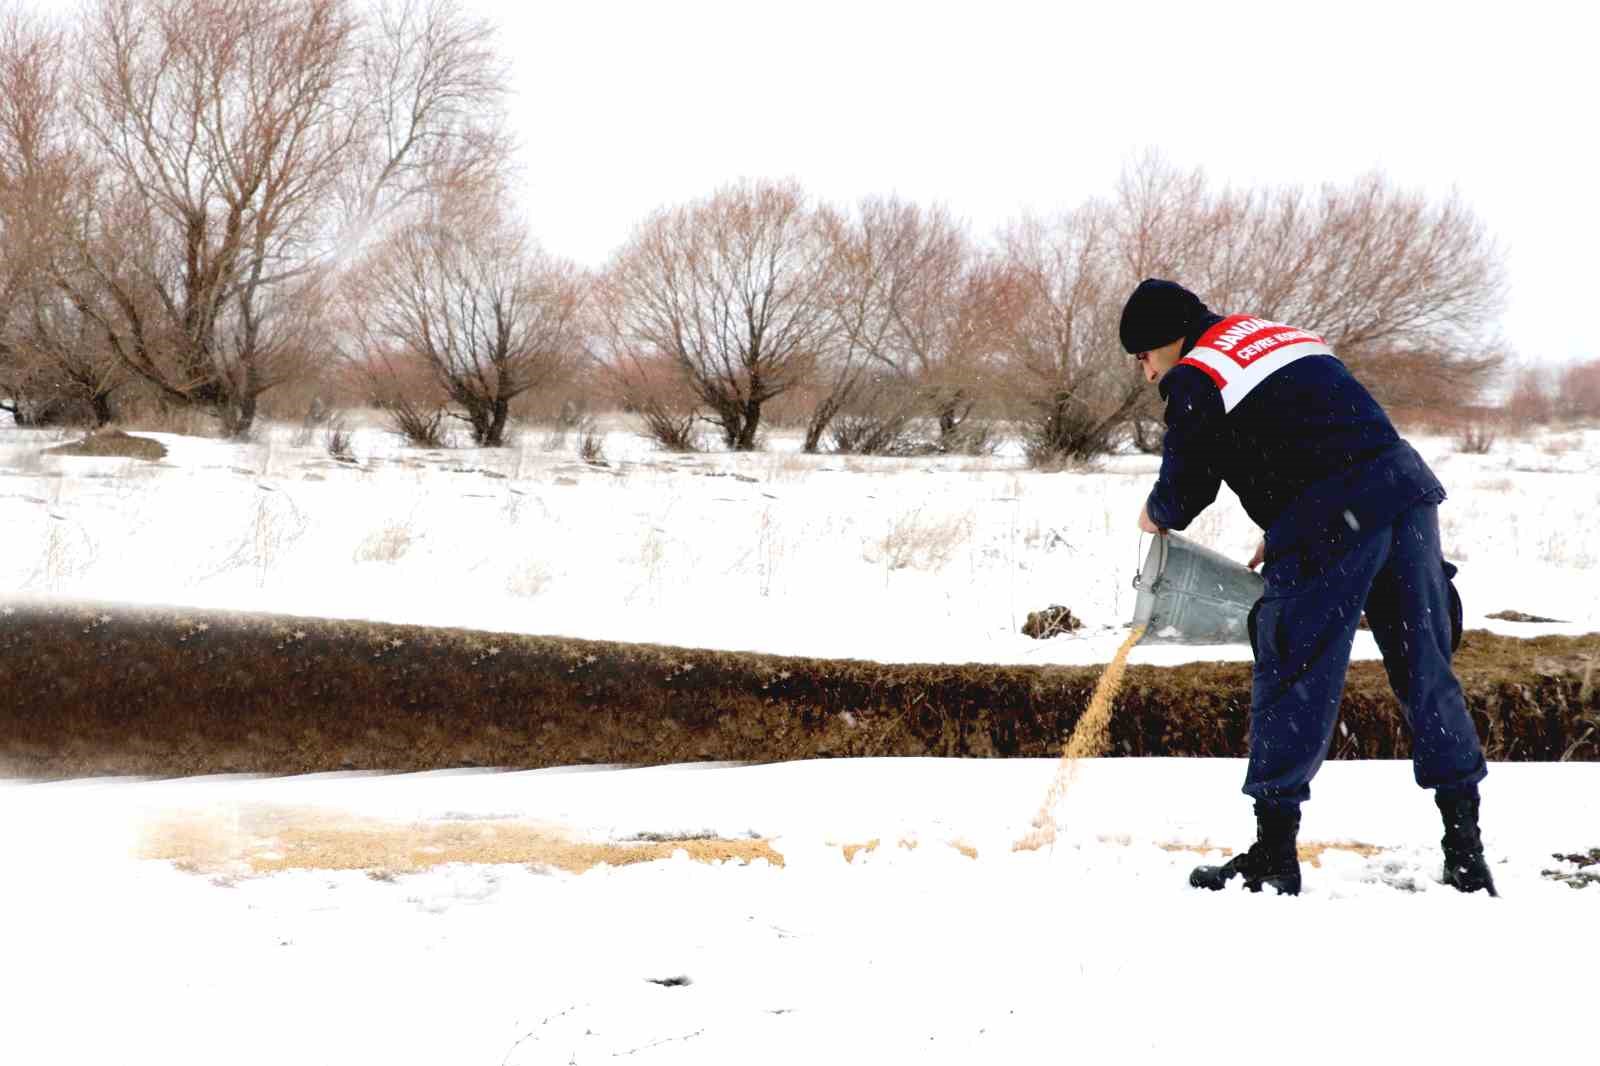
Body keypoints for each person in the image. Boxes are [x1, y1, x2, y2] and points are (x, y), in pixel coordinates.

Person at [1120, 278, 1495, 897]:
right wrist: (1285, 522)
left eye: (1143, 357)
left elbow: (1187, 489)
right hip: (1403, 496)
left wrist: (1156, 512)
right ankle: (1466, 850)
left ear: (1166, 342)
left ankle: (1272, 854)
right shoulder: (1276, 334)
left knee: (1293, 669)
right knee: (1426, 668)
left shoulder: (1196, 373)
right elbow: (1321, 429)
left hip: (1333, 521)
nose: (1146, 372)